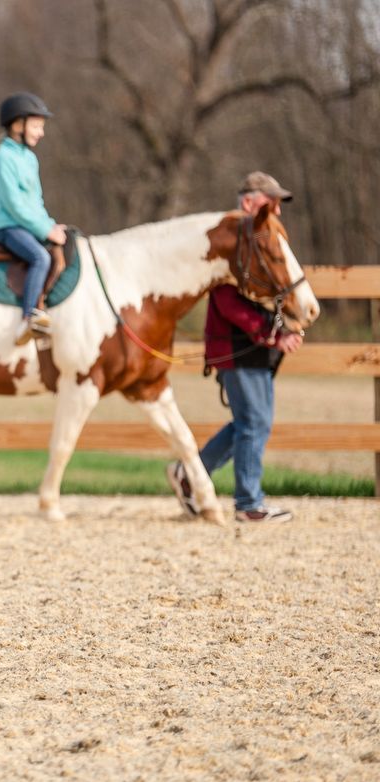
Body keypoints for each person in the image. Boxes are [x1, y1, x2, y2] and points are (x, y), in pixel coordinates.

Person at [166, 172, 303, 523]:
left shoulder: (255, 242)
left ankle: (190, 473)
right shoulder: (232, 243)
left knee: (251, 421)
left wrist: (282, 328)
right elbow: (230, 305)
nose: (276, 210)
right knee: (254, 421)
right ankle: (248, 502)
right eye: (270, 202)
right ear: (248, 203)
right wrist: (272, 334)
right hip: (236, 348)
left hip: (249, 347)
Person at [0, 92, 69, 345]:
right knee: (40, 257)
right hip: (7, 226)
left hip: (27, 224)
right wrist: (45, 230)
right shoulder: (3, 159)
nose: (41, 132)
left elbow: (35, 202)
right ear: (17, 125)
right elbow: (15, 206)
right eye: (36, 126)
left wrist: (50, 224)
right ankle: (28, 319)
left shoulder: (29, 158)